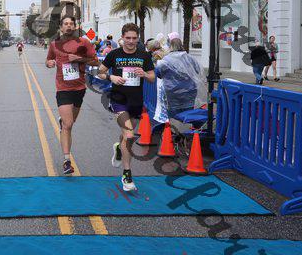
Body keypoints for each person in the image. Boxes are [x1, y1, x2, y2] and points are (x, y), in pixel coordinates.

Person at [98, 23, 155, 191]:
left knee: (126, 137)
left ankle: (118, 148)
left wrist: (145, 74)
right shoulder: (114, 54)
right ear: (122, 37)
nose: (130, 41)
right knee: (129, 135)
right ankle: (127, 175)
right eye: (128, 38)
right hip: (118, 101)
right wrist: (111, 77)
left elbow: (152, 77)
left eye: (134, 38)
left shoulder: (144, 55)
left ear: (138, 39)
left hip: (136, 102)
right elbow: (99, 72)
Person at [46, 15, 99, 175]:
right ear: (61, 27)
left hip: (79, 88)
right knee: (68, 125)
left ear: (75, 26)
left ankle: (63, 121)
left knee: (71, 122)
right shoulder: (54, 44)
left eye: (71, 24)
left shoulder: (84, 43)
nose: (68, 26)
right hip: (62, 88)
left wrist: (80, 59)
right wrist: (49, 63)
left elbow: (95, 61)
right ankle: (66, 160)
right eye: (65, 24)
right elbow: (49, 60)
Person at [155, 38, 205, 118]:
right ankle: (186, 123)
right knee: (188, 113)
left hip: (172, 92)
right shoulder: (190, 58)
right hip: (189, 91)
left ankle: (175, 124)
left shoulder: (166, 60)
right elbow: (197, 70)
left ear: (170, 46)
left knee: (174, 114)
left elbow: (158, 73)